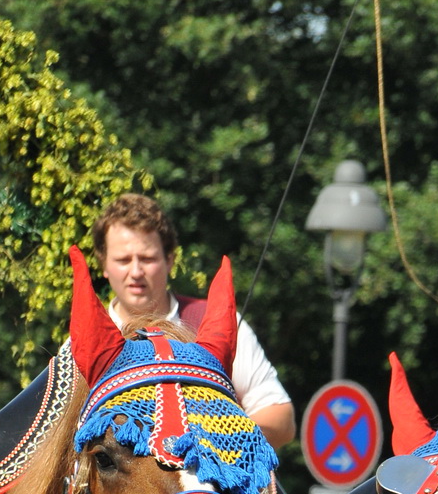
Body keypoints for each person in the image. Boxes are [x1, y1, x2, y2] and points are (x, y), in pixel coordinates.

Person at [92, 192, 295, 449]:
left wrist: (221, 441)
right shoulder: (85, 343)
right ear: (103, 264)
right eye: (123, 260)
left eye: (147, 259)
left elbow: (280, 419)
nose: (135, 272)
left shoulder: (220, 324)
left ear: (169, 260)